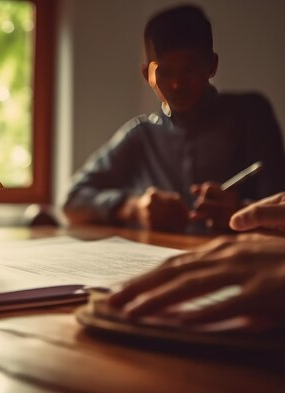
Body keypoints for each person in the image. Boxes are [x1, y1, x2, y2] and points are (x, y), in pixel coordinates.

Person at [63, 5, 285, 232]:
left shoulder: (250, 114)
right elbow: (72, 200)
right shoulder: (142, 134)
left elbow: (281, 205)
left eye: (189, 69)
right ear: (147, 75)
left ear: (211, 65)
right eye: (165, 72)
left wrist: (241, 209)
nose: (177, 84)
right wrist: (135, 208)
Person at [108, 192, 285, 332]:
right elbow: (79, 192)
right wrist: (134, 207)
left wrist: (240, 205)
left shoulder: (259, 146)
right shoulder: (138, 144)